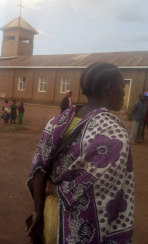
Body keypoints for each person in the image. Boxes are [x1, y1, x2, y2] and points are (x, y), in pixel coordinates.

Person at [27, 62, 134, 243]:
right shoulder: (113, 133)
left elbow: (39, 169)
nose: (124, 92)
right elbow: (104, 190)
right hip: (83, 227)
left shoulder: (56, 122)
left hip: (51, 217)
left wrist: (37, 211)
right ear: (110, 88)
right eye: (122, 86)